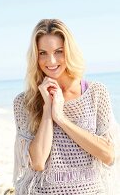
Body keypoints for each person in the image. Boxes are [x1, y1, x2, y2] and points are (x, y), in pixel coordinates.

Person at [13, 19, 119, 195]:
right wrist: (47, 108)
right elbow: (38, 162)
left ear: (69, 52)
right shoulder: (24, 102)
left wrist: (60, 118)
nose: (51, 60)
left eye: (59, 51)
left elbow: (108, 155)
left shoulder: (95, 93)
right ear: (35, 56)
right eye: (43, 53)